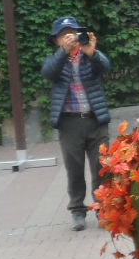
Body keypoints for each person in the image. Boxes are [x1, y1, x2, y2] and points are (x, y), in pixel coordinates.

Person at [41, 16, 111, 231]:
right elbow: (48, 73)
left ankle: (103, 210)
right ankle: (78, 211)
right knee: (75, 169)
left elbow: (106, 67)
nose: (70, 38)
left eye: (74, 33)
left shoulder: (90, 56)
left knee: (102, 168)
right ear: (56, 40)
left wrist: (93, 53)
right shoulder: (55, 60)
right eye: (64, 34)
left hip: (95, 120)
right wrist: (64, 52)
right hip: (69, 123)